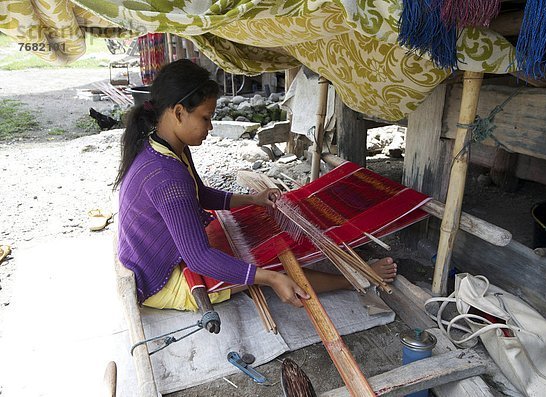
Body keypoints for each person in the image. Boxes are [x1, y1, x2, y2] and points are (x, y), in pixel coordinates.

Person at [115, 59, 396, 311]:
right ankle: (352, 279)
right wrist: (270, 277)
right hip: (160, 279)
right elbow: (199, 258)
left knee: (247, 241)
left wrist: (253, 199)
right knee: (271, 264)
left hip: (148, 255)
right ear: (178, 112)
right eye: (206, 117)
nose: (210, 127)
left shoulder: (165, 146)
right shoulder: (166, 175)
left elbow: (199, 195)